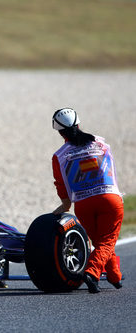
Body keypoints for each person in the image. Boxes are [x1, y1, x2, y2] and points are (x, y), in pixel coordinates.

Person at [51, 107, 124, 293]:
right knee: (107, 241)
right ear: (78, 123)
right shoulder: (101, 143)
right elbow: (112, 171)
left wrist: (64, 205)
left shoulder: (59, 156)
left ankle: (115, 276)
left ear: (59, 132)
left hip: (83, 205)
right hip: (109, 199)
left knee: (102, 242)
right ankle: (92, 273)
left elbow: (61, 185)